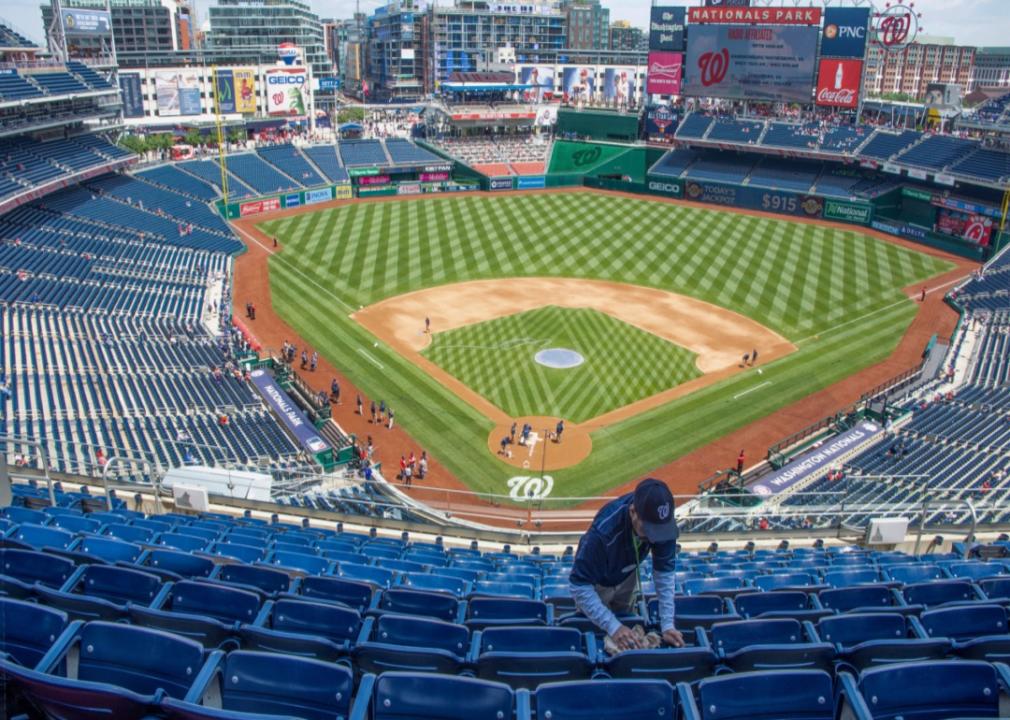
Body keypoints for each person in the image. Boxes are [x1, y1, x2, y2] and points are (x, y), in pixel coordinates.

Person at [569, 478, 683, 650]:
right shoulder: (603, 533)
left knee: (626, 616)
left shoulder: (664, 525)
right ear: (632, 512)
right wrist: (614, 627)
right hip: (598, 581)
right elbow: (579, 586)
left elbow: (664, 574)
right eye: (649, 530)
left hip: (628, 571)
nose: (654, 538)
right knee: (596, 631)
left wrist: (667, 624)